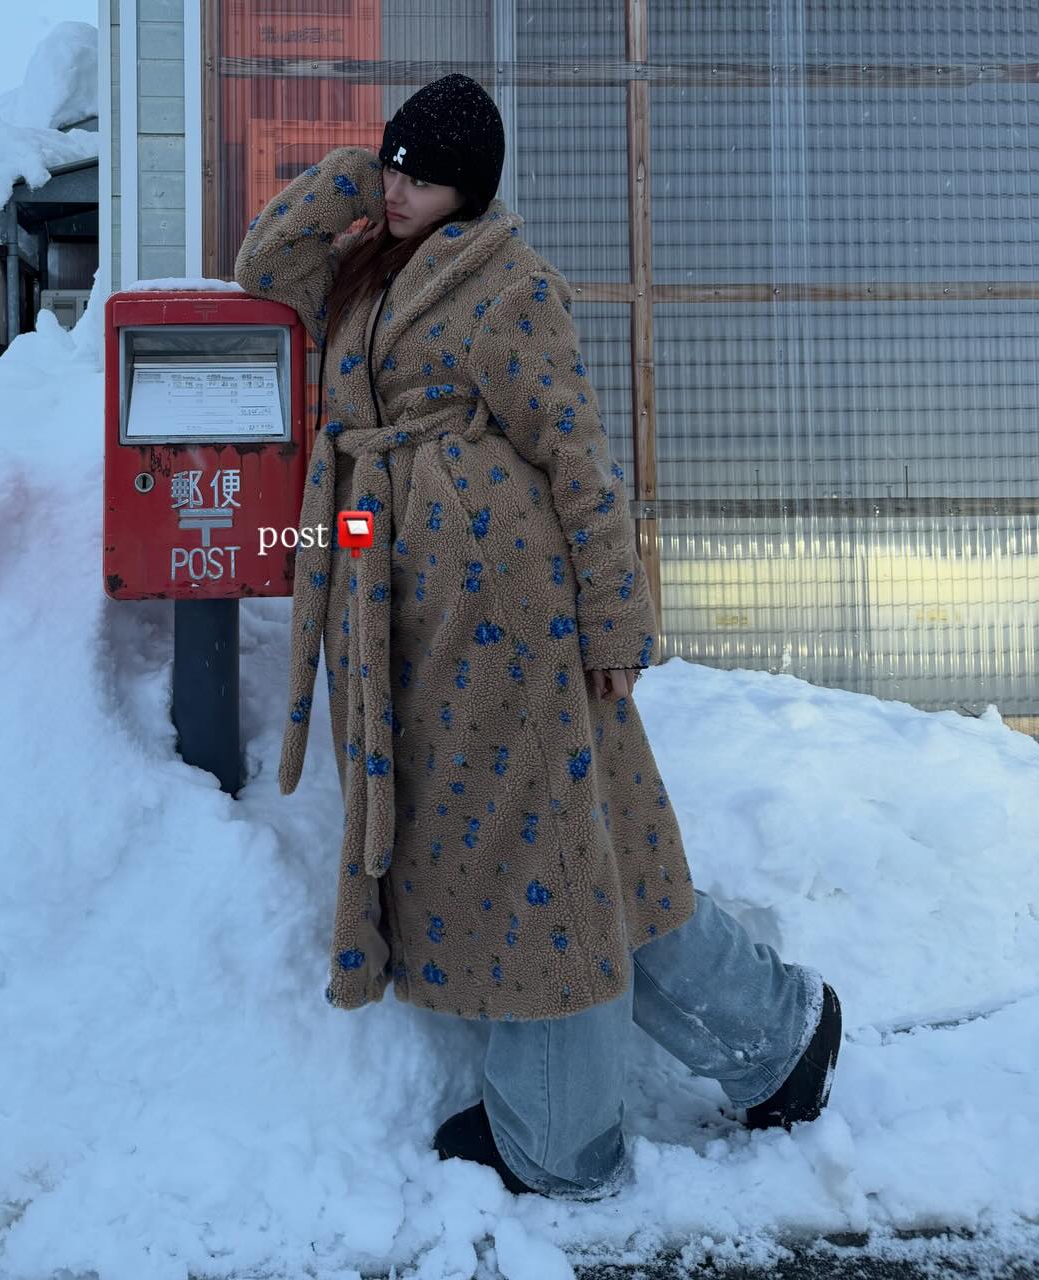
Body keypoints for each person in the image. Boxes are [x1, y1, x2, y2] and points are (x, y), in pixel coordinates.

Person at [233, 72, 841, 1202]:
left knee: (538, 861)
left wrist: (614, 621)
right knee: (591, 847)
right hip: (405, 603)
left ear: (473, 188)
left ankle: (558, 1140)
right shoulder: (368, 265)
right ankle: (776, 1034)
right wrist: (358, 179)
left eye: (423, 175)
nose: (400, 188)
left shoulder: (511, 287)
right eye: (395, 164)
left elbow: (578, 459)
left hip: (505, 615)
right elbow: (264, 266)